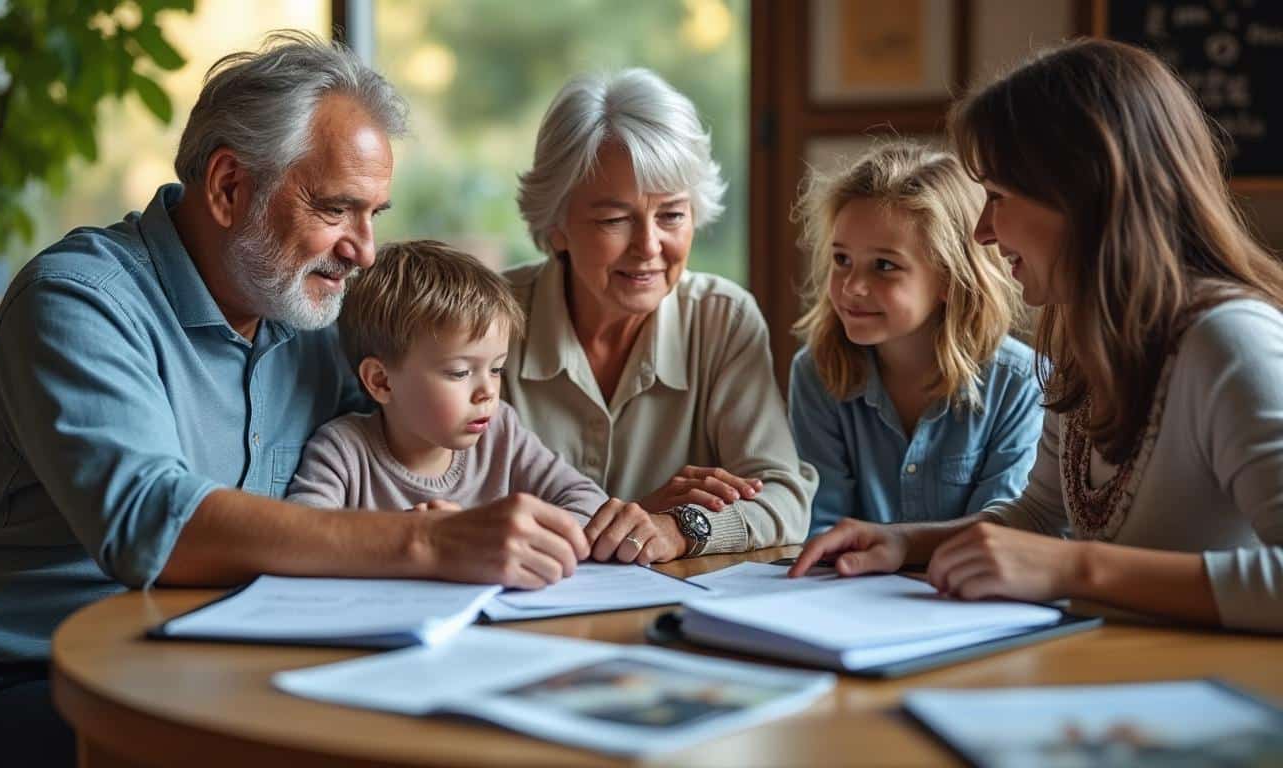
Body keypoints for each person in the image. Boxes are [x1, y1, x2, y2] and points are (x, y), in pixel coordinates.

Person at [0, 33, 586, 767]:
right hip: (34, 684)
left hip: (241, 664)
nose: (364, 249)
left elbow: (415, 432)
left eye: (375, 213)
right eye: (338, 209)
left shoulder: (314, 317)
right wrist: (430, 543)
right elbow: (156, 525)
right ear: (227, 187)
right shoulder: (77, 302)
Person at [791, 39, 1283, 633]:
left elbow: (1063, 555)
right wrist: (904, 541)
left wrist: (1080, 568)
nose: (982, 231)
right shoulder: (1083, 343)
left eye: (996, 196)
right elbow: (1041, 515)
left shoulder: (1228, 342)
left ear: (1082, 194)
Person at [506, 68, 816, 565]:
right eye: (614, 220)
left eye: (671, 215)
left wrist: (678, 528)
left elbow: (783, 497)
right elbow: (449, 504)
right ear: (557, 224)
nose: (649, 247)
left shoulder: (723, 320)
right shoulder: (489, 321)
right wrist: (627, 518)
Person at [286, 240, 610, 557]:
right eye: (459, 373)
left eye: (496, 369)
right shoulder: (343, 451)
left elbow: (589, 502)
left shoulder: (501, 433)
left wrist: (515, 537)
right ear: (381, 381)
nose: (488, 391)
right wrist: (403, 539)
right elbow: (300, 537)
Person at [788, 142, 1042, 536]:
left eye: (884, 266)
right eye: (842, 260)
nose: (853, 286)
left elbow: (1001, 534)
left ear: (949, 278)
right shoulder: (816, 372)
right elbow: (821, 524)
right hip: (847, 591)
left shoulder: (1020, 384)